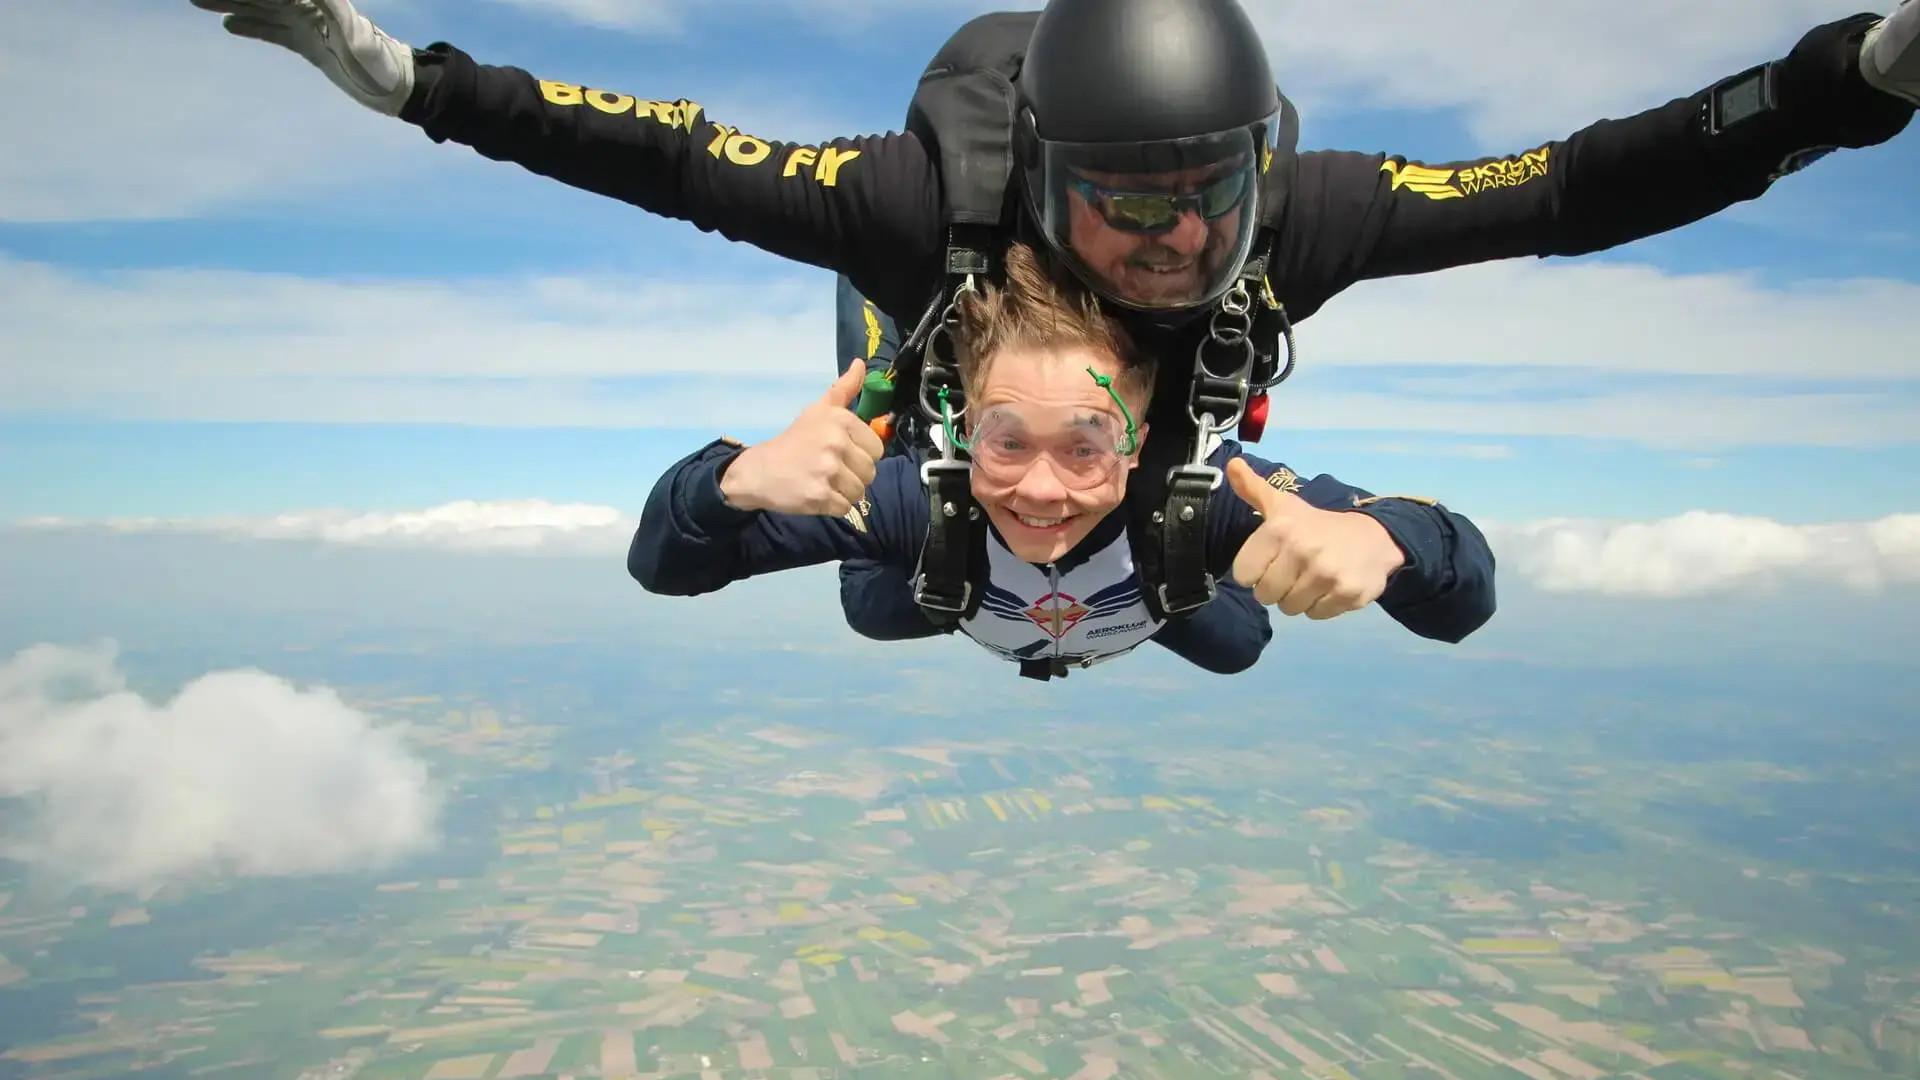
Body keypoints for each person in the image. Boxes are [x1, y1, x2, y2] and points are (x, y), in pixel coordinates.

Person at [190, 0, 1916, 621]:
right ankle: (933, 477)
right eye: (1127, 211)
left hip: (1154, 500)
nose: (1173, 251)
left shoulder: (1293, 225)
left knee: (1222, 602)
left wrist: (1846, 80)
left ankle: (1115, 531)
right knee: (908, 579)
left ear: (1259, 167)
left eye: (1206, 205)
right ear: (1045, 180)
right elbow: (651, 153)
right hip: (939, 438)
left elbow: (1577, 185)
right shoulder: (903, 205)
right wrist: (407, 78)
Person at [628, 243, 1494, 680]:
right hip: (943, 576)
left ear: (1142, 432)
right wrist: (736, 480)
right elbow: (665, 566)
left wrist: (1388, 545)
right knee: (877, 607)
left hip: (1146, 579)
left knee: (1237, 645)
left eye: (1085, 443)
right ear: (964, 425)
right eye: (1005, 439)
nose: (1042, 488)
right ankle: (886, 389)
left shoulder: (1202, 492)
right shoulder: (909, 501)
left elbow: (1462, 598)